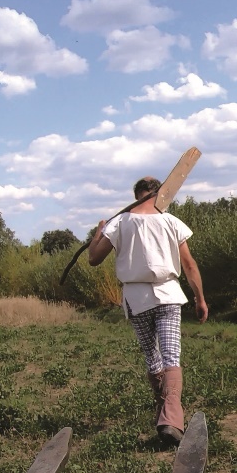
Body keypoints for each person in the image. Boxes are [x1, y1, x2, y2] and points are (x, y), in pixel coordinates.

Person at [87, 175, 208, 444]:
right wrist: (200, 298)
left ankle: (165, 417)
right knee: (170, 356)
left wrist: (98, 235)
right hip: (167, 294)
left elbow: (94, 258)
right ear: (160, 194)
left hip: (137, 297)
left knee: (154, 359)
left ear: (136, 195)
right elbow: (189, 265)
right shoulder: (170, 221)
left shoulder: (120, 222)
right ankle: (171, 420)